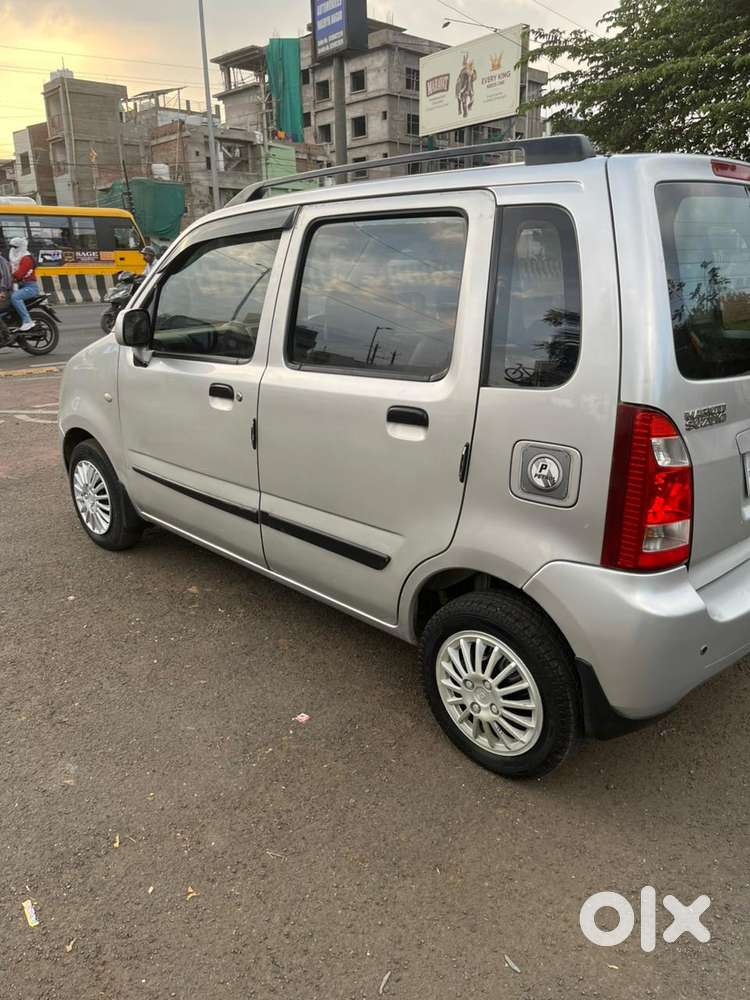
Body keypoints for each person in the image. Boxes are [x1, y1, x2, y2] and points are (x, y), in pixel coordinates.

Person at [9, 236, 39, 331]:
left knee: (15, 297)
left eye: (15, 247)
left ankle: (27, 321)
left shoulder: (26, 258)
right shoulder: (15, 259)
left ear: (21, 247)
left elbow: (19, 274)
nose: (13, 249)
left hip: (30, 287)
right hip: (20, 286)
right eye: (12, 247)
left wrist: (9, 278)